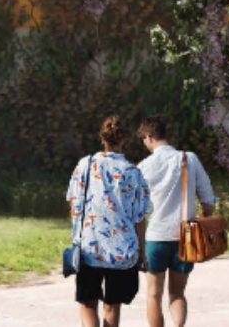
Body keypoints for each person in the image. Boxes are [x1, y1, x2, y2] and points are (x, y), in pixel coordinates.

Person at [66, 115, 150, 327]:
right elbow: (140, 217)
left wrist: (77, 232)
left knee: (87, 304)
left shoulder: (85, 165)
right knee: (112, 306)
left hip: (89, 247)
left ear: (102, 137)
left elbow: (74, 202)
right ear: (124, 139)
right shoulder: (133, 172)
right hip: (122, 249)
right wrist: (142, 253)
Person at [138, 116, 218, 327]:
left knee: (154, 295)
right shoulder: (189, 159)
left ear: (149, 136)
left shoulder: (144, 166)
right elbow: (208, 198)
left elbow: (136, 205)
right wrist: (206, 220)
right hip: (186, 237)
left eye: (144, 139)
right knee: (177, 293)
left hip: (156, 237)